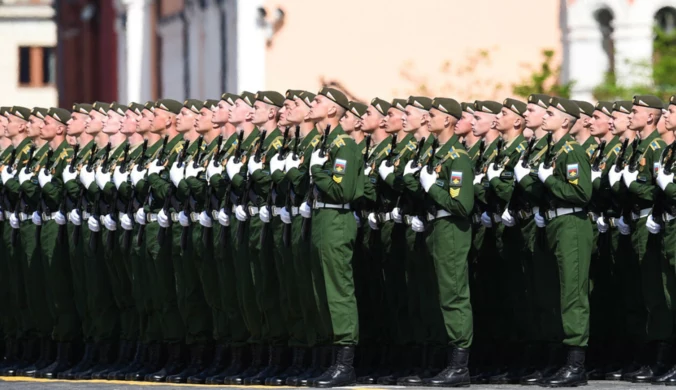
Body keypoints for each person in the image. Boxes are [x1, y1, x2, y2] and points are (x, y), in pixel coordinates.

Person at [405, 97, 474, 387]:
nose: (427, 119)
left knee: (453, 294)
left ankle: (459, 366)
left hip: (451, 229)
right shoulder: (436, 154)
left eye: (432, 115)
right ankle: (440, 361)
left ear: (448, 120)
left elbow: (462, 205)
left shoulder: (457, 157)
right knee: (437, 294)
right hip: (436, 225)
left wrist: (431, 187)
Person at [301, 87, 361, 387]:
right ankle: (331, 360)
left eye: (318, 101)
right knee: (321, 291)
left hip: (337, 218)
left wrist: (319, 173)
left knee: (338, 291)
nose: (312, 104)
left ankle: (345, 364)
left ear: (332, 110)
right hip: (321, 218)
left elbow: (343, 190)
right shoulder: (325, 143)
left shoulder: (344, 145)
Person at [609, 95, 670, 383]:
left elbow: (654, 192)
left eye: (635, 111)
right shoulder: (638, 147)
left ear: (649, 117)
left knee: (655, 294)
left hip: (649, 220)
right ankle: (645, 356)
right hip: (634, 220)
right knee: (641, 292)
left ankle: (658, 358)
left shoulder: (656, 147)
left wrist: (631, 184)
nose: (629, 115)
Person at [532, 97, 592, 387]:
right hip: (554, 222)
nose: (545, 117)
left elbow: (581, 193)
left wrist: (549, 181)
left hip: (571, 224)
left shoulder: (572, 150)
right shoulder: (552, 150)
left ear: (566, 121)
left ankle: (576, 365)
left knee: (572, 293)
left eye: (551, 113)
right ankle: (560, 360)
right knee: (555, 292)